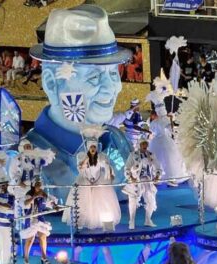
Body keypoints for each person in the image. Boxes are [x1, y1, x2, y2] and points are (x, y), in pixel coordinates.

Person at [25, 5, 133, 201]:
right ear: (51, 83)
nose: (113, 89)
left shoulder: (117, 141)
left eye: (114, 73)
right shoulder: (31, 161)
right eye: (93, 77)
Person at [62, 125, 121, 229]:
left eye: (94, 147)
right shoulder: (81, 155)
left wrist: (105, 164)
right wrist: (86, 158)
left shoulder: (101, 156)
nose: (93, 149)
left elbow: (106, 165)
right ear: (88, 147)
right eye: (91, 147)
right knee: (82, 202)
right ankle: (80, 223)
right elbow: (80, 168)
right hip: (84, 180)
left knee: (103, 203)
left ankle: (105, 224)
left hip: (99, 180)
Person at [123, 138, 161, 229]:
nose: (144, 146)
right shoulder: (133, 155)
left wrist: (157, 176)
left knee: (151, 200)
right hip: (136, 181)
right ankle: (131, 221)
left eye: (146, 144)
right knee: (133, 201)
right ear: (139, 145)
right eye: (143, 144)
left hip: (148, 181)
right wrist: (130, 177)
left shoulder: (151, 155)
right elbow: (127, 168)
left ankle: (148, 220)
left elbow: (158, 167)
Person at [21, 178, 57, 264]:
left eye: (40, 184)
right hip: (30, 218)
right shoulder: (29, 194)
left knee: (43, 236)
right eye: (37, 184)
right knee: (30, 239)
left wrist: (54, 205)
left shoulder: (43, 194)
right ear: (33, 185)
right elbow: (25, 203)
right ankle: (26, 260)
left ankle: (44, 257)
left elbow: (50, 201)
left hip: (40, 217)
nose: (39, 186)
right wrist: (35, 196)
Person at [148, 108, 186, 185]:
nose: (151, 117)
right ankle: (168, 177)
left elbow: (152, 132)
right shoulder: (160, 121)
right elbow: (171, 128)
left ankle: (161, 177)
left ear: (155, 115)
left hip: (157, 141)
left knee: (162, 158)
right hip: (163, 140)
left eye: (152, 115)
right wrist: (171, 119)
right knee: (167, 158)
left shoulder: (154, 123)